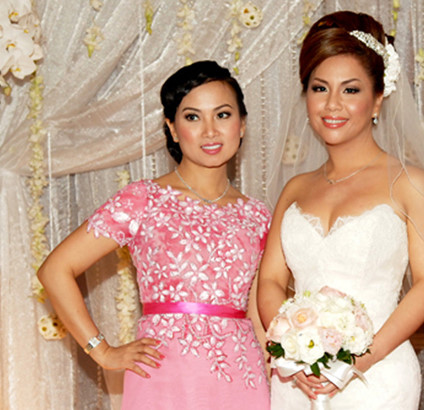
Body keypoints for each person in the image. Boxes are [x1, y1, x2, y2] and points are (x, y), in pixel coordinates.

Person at [37, 61, 271, 409]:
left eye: (222, 115)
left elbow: (257, 314)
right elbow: (55, 270)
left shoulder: (258, 215)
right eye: (193, 117)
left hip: (243, 380)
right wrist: (102, 351)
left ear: (242, 125)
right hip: (164, 378)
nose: (210, 131)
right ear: (172, 129)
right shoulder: (143, 199)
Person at [257, 11, 424, 410]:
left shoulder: (409, 182)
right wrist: (294, 353)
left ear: (378, 98)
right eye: (319, 88)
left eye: (350, 90)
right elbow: (271, 281)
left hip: (376, 375)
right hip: (298, 380)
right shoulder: (295, 189)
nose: (332, 104)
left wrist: (357, 361)